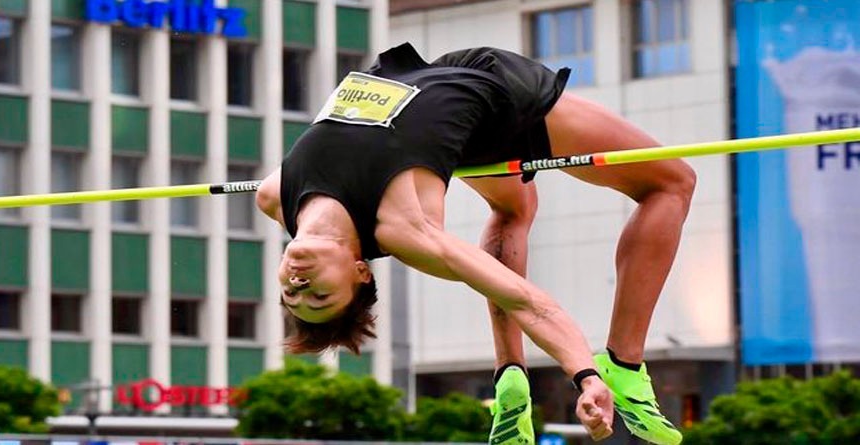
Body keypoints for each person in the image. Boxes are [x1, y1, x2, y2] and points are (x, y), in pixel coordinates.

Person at [255, 42, 691, 444]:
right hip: (493, 96)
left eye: (291, 294)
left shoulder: (275, 196)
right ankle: (624, 364)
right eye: (320, 296)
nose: (299, 284)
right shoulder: (404, 228)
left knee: (513, 211)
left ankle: (510, 373)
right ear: (360, 271)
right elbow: (529, 302)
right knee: (672, 184)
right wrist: (587, 376)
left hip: (425, 87)